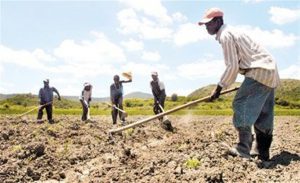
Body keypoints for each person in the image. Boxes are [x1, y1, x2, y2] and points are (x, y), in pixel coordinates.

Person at [198, 8, 280, 161]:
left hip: (259, 71)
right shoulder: (233, 31)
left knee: (240, 103)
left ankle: (243, 148)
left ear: (217, 21)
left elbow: (232, 66)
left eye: (208, 24)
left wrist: (218, 88)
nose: (206, 27)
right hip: (270, 70)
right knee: (263, 113)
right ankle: (262, 152)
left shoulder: (225, 35)